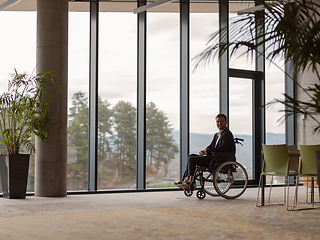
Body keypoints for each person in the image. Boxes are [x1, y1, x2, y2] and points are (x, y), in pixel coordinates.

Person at [174, 113, 235, 189]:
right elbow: (211, 146)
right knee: (190, 156)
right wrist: (205, 150)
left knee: (192, 159)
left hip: (219, 159)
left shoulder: (227, 134)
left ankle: (191, 181)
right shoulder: (217, 135)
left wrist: (207, 152)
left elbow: (223, 148)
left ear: (226, 122)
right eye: (218, 122)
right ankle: (186, 179)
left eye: (221, 121)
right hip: (214, 157)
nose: (219, 123)